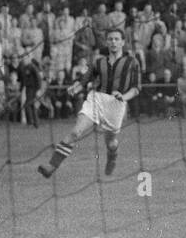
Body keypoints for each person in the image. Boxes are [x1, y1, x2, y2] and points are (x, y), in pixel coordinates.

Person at [38, 28, 141, 179]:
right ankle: (51, 166)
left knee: (111, 142)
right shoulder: (99, 62)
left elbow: (136, 88)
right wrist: (76, 87)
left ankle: (112, 155)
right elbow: (85, 79)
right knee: (76, 132)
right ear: (106, 42)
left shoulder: (132, 62)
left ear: (123, 42)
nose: (113, 42)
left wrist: (123, 97)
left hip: (116, 105)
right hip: (96, 99)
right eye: (110, 39)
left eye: (116, 39)